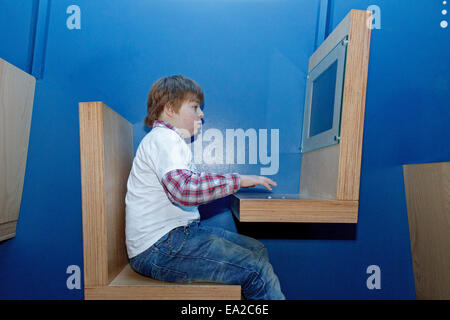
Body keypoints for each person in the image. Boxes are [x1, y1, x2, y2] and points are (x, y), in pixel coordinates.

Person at [125, 75, 285, 300]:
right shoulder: (164, 139)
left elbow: (192, 182)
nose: (201, 114)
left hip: (174, 238)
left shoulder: (169, 141)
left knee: (256, 251)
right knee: (255, 270)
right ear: (170, 108)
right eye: (195, 107)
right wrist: (237, 180)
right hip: (158, 249)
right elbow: (185, 190)